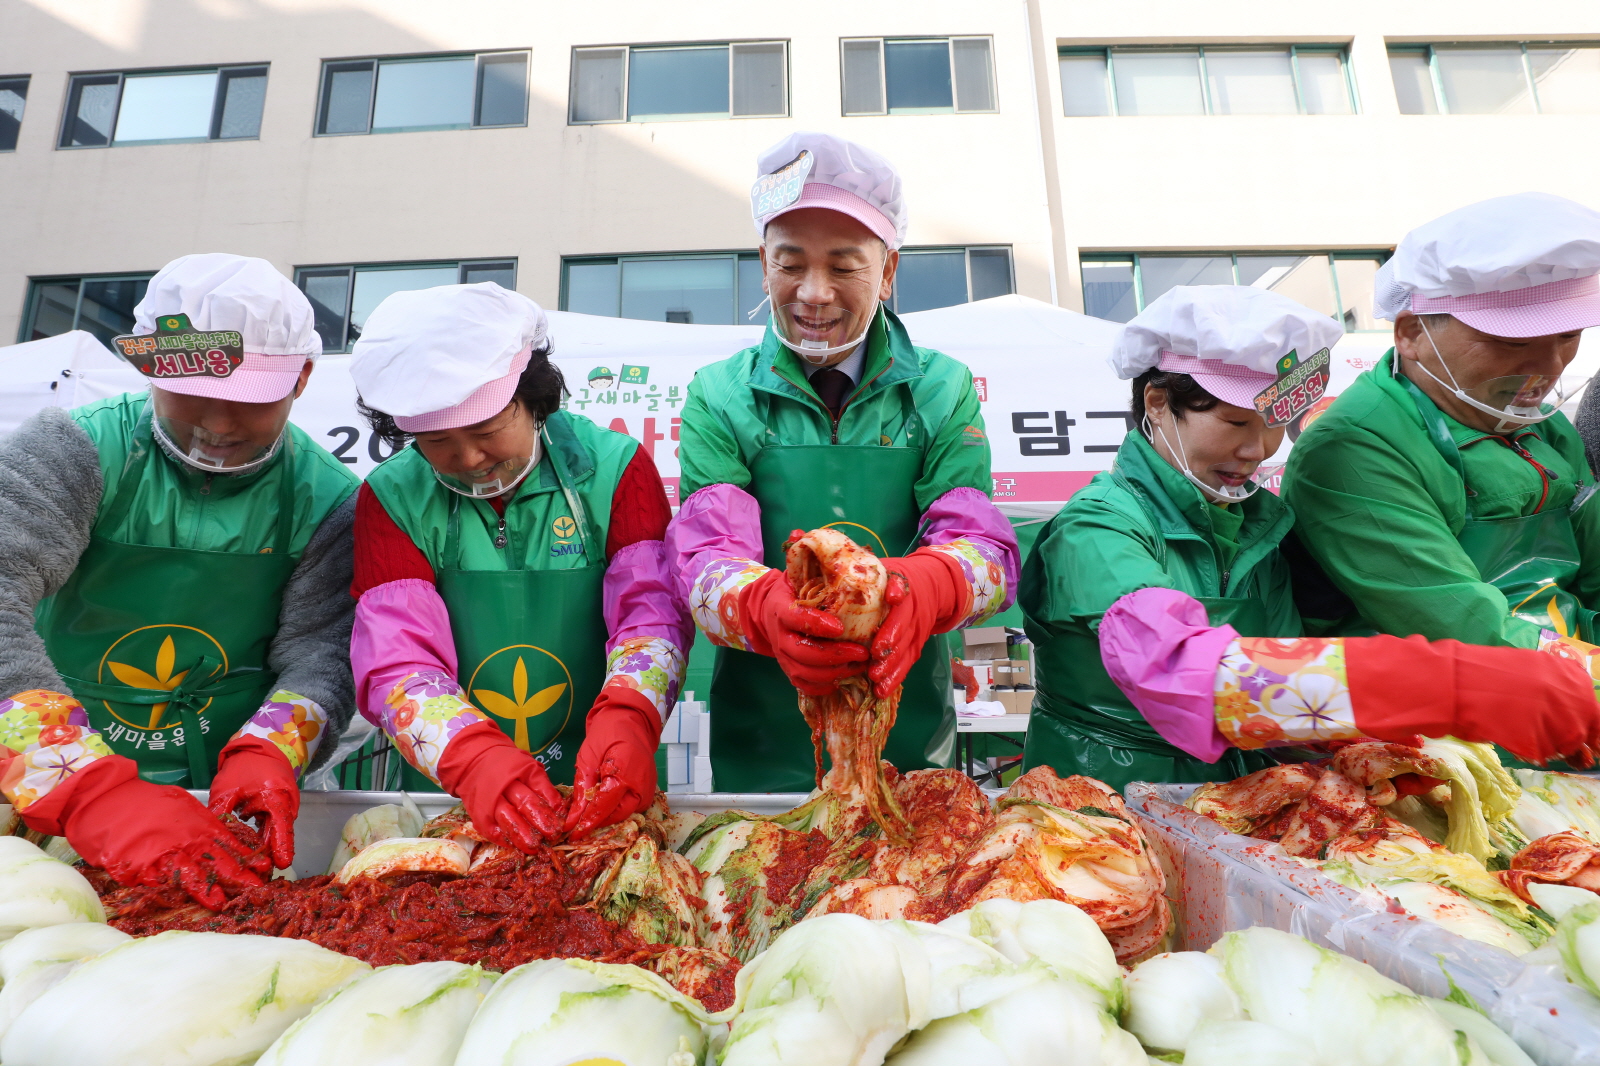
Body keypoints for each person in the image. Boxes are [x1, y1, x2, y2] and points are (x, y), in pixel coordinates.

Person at [1022, 285, 1600, 790]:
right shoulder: (1098, 529)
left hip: (1237, 810)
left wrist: (1385, 748)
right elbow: (1180, 671)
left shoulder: (1260, 525)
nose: (1259, 450)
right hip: (1102, 810)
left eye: (1275, 424)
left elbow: (1293, 687)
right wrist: (1450, 686)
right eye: (1236, 422)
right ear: (1158, 402)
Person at [0, 253, 360, 905]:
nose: (218, 425)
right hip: (49, 792)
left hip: (223, 813)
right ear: (148, 369)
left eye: (247, 401)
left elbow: (323, 654)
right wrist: (82, 785)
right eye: (192, 393)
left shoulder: (327, 501)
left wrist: (272, 750)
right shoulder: (72, 453)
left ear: (302, 377)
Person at [666, 131, 1018, 793]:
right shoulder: (720, 394)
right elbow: (702, 560)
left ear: (887, 272)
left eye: (845, 265)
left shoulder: (940, 389)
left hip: (907, 743)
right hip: (761, 753)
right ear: (763, 263)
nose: (815, 292)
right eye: (790, 263)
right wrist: (765, 606)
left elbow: (984, 551)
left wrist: (933, 586)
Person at [349, 283, 688, 846]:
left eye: (485, 432)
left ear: (532, 397)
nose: (470, 459)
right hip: (457, 796)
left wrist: (631, 714)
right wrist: (471, 757)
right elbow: (396, 657)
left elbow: (650, 618)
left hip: (606, 784)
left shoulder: (613, 469)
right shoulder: (390, 497)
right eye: (437, 442)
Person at [1285, 193, 1600, 652]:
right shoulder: (1353, 448)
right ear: (1412, 333)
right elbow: (1463, 627)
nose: (1549, 366)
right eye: (1512, 341)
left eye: (1569, 336)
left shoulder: (1539, 425)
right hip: (1432, 704)